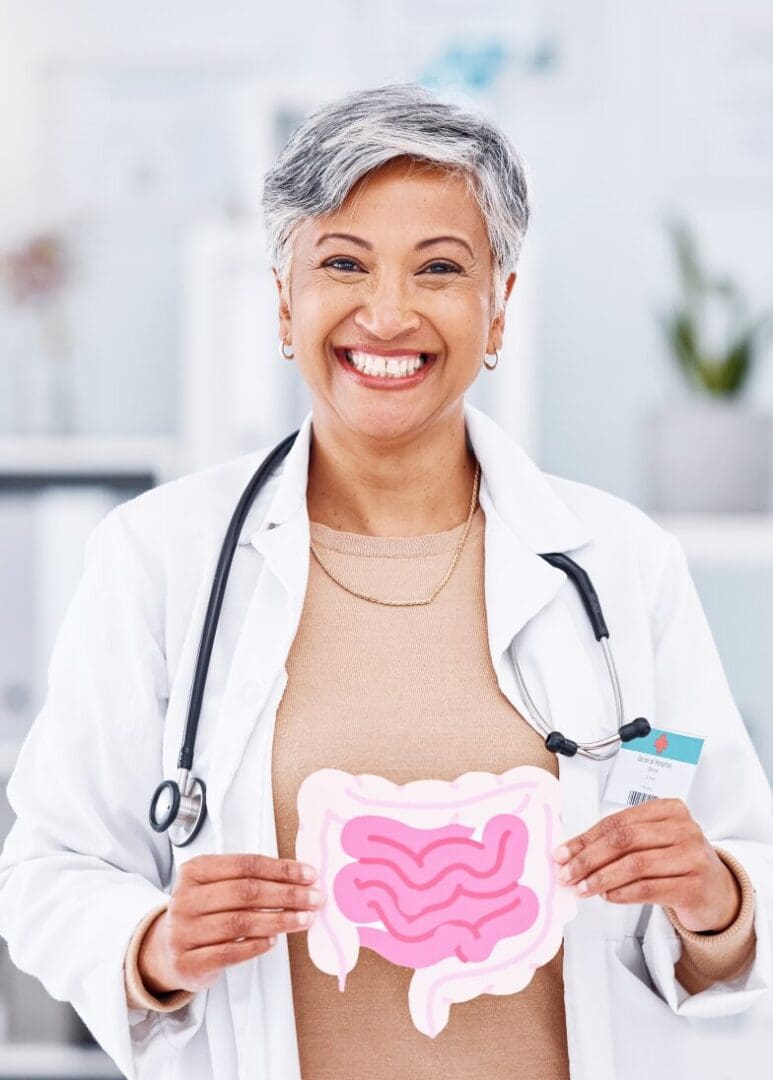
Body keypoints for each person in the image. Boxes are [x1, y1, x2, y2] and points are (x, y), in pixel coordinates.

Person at [0, 82, 771, 1080]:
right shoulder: (157, 557)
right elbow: (47, 870)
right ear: (284, 303)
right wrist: (150, 947)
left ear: (498, 308)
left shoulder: (618, 562)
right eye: (342, 263)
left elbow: (734, 879)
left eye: (440, 268)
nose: (388, 310)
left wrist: (716, 901)